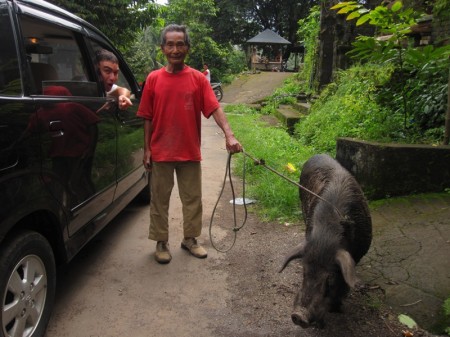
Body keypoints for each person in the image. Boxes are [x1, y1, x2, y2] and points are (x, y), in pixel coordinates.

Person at [136, 24, 242, 264]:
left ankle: (190, 239)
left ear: (187, 47)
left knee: (192, 199)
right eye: (170, 44)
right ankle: (161, 241)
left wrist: (230, 135)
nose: (175, 49)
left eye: (180, 44)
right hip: (161, 152)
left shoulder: (197, 79)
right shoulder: (153, 79)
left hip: (189, 151)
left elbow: (215, 108)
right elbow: (147, 117)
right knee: (160, 199)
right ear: (163, 48)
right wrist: (147, 149)